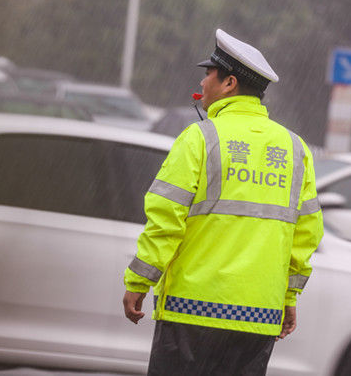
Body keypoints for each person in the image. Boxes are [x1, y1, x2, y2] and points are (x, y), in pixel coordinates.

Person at [122, 29, 324, 375]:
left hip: (191, 312)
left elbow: (166, 219)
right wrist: (288, 299)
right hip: (257, 318)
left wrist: (138, 282)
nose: (203, 81)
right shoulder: (295, 148)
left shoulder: (200, 138)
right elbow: (305, 236)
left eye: (208, 74)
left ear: (229, 83)